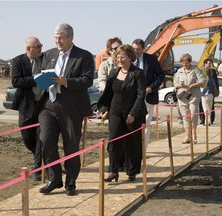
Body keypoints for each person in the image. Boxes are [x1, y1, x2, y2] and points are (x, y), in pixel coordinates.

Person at [38, 23, 94, 196]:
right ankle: (54, 178)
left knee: (71, 146)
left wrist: (66, 82)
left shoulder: (83, 56)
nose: (57, 41)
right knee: (45, 141)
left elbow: (87, 80)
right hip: (49, 106)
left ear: (71, 37)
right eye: (55, 37)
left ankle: (71, 182)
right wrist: (42, 82)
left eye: (61, 37)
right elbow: (43, 75)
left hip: (71, 108)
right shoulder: (49, 54)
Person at [98, 44, 147, 182]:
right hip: (115, 112)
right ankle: (113, 171)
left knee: (132, 143)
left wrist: (133, 113)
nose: (119, 59)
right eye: (118, 57)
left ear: (130, 57)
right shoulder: (114, 73)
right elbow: (109, 93)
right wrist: (105, 109)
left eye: (122, 57)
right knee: (113, 141)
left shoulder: (137, 73)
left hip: (132, 113)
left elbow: (140, 95)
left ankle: (131, 170)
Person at [11, 36, 44, 181]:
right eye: (37, 46)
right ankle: (40, 157)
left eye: (41, 45)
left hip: (43, 105)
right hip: (25, 106)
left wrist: (45, 78)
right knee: (28, 138)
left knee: (41, 138)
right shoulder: (17, 61)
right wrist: (36, 78)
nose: (40, 48)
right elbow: (16, 81)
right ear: (28, 49)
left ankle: (38, 169)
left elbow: (49, 77)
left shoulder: (45, 60)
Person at [132, 39, 165, 150]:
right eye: (134, 48)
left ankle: (143, 152)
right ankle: (133, 150)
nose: (135, 51)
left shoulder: (151, 60)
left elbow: (161, 76)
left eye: (138, 49)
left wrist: (152, 87)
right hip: (132, 97)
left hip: (147, 97)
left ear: (143, 49)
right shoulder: (128, 59)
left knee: (145, 124)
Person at [173, 53, 206, 144]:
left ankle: (194, 135)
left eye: (186, 62)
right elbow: (175, 84)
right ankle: (188, 136)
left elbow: (203, 81)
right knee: (185, 116)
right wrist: (180, 85)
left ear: (190, 62)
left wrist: (192, 85)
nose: (184, 64)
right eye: (182, 62)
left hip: (193, 95)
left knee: (193, 114)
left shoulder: (195, 70)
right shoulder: (179, 71)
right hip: (182, 96)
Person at [199, 58, 219, 125]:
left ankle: (210, 120)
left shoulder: (213, 71)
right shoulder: (201, 71)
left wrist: (216, 90)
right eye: (209, 63)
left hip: (210, 92)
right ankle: (203, 119)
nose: (210, 65)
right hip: (202, 92)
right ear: (205, 64)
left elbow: (216, 82)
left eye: (211, 63)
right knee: (202, 106)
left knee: (210, 107)